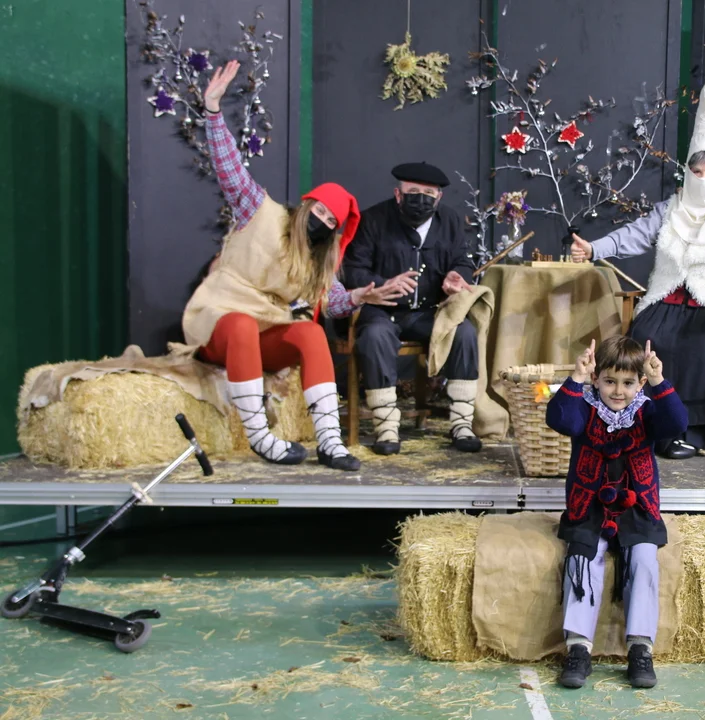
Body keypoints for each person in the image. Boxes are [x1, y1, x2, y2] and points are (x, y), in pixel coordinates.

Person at [182, 60, 401, 471]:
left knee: (309, 332)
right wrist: (212, 111)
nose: (322, 220)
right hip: (221, 321)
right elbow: (229, 169)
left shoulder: (318, 259)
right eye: (319, 210)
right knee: (241, 324)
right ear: (307, 204)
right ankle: (260, 438)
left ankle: (330, 442)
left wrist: (360, 295)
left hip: (264, 332)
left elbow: (332, 302)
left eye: (331, 221)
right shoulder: (259, 210)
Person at [570, 82, 705, 459]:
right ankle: (646, 425)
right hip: (664, 303)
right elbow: (634, 235)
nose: (703, 178)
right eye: (697, 170)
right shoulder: (669, 210)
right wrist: (594, 249)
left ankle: (692, 432)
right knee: (647, 339)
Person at [545, 336, 688, 690]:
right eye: (609, 381)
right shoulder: (584, 409)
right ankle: (579, 648)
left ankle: (640, 647)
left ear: (640, 383)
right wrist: (576, 378)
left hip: (637, 508)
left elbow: (677, 423)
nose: (618, 391)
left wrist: (659, 381)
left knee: (644, 560)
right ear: (597, 379)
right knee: (582, 560)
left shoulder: (647, 411)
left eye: (627, 383)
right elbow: (560, 419)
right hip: (589, 506)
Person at [341, 163, 481, 456]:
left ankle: (461, 423)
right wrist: (382, 284)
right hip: (383, 310)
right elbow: (352, 269)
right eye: (413, 191)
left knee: (464, 332)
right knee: (375, 336)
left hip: (429, 312)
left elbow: (463, 261)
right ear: (398, 194)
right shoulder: (373, 220)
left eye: (428, 194)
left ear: (439, 197)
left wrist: (457, 276)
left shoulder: (450, 221)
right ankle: (386, 426)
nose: (421, 198)